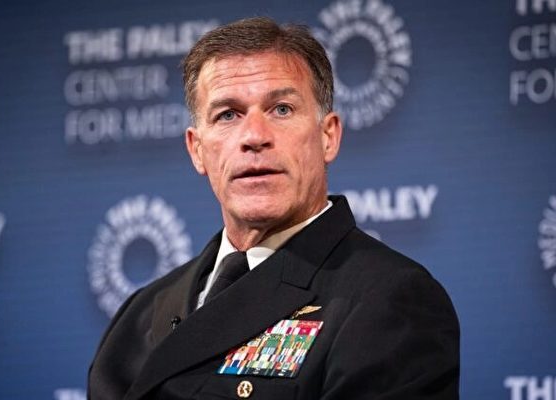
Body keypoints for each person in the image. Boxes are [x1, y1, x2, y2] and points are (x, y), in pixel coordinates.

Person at [88, 17, 460, 400]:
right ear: (197, 150)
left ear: (328, 136)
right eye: (227, 114)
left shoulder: (390, 298)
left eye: (281, 109)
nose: (254, 137)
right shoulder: (140, 314)